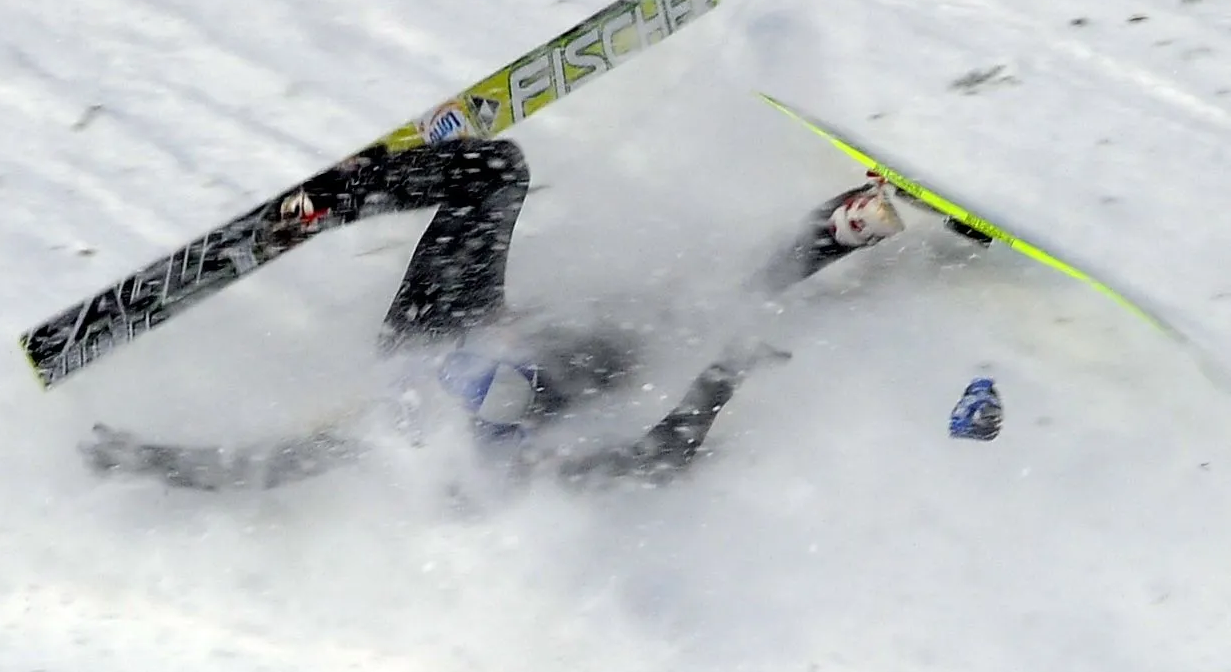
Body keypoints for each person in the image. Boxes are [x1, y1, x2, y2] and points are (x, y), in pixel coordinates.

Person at [81, 137, 922, 492]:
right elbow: (656, 458)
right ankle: (842, 227)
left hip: (437, 329)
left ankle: (327, 202)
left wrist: (144, 459)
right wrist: (721, 377)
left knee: (497, 172)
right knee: (691, 304)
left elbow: (258, 466)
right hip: (584, 353)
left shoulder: (407, 434)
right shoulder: (511, 472)